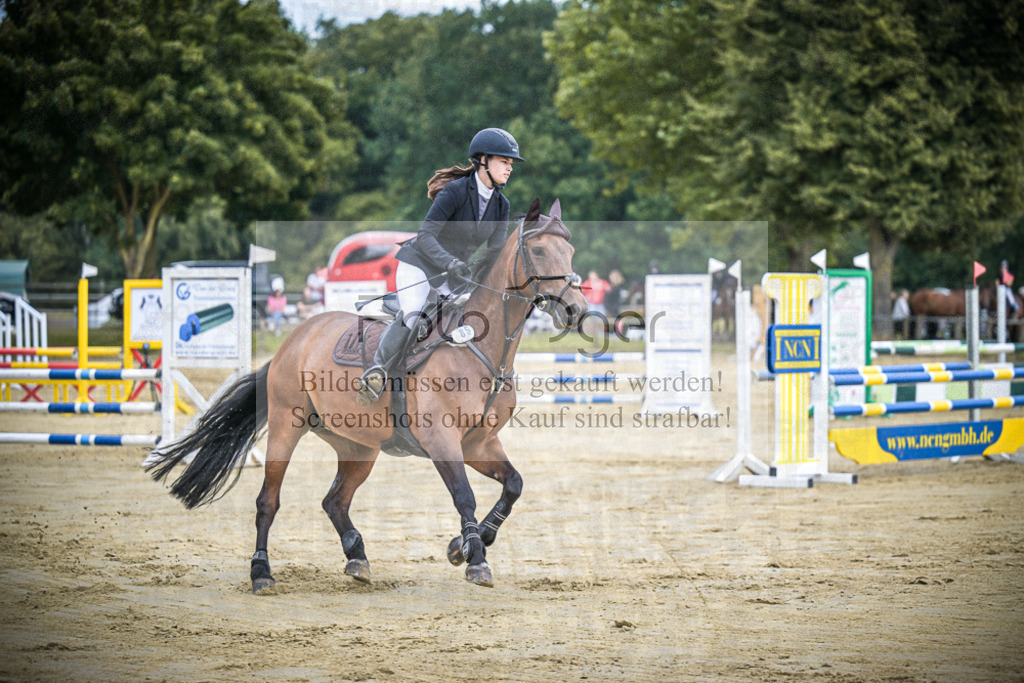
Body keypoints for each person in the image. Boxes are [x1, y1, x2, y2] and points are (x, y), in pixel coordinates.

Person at [356, 127, 524, 404]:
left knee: (464, 323)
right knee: (414, 317)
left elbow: (495, 251)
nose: (509, 169)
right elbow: (426, 236)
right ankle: (377, 372)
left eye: (511, 164)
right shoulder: (456, 192)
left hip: (453, 275)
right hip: (420, 265)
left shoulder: (501, 205)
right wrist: (450, 262)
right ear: (483, 160)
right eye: (504, 162)